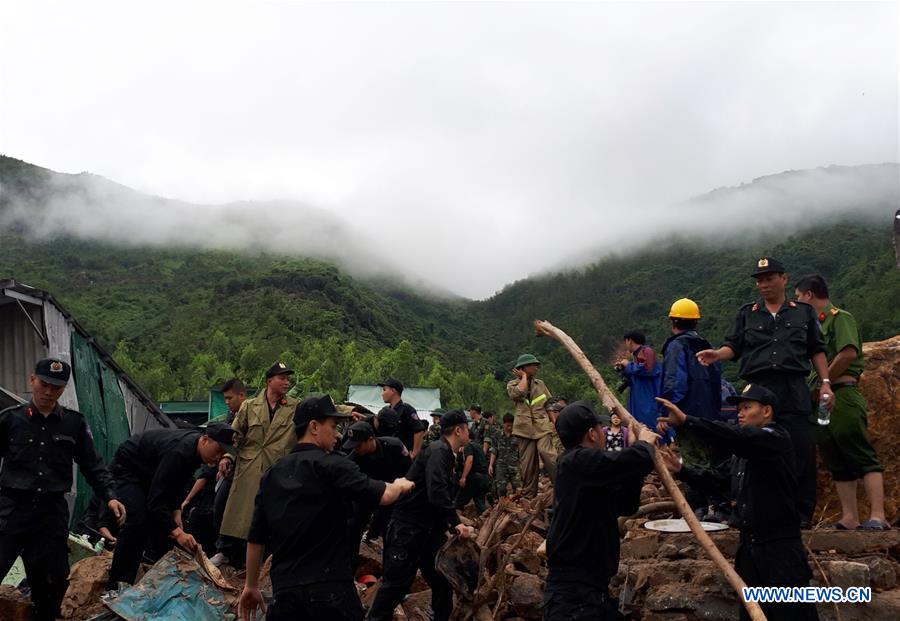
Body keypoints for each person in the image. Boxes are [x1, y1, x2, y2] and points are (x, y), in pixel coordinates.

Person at [238, 395, 414, 621]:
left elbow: (256, 537)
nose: (337, 433)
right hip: (331, 589)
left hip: (286, 591)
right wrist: (400, 484)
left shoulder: (272, 474)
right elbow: (384, 495)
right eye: (333, 426)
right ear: (313, 426)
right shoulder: (334, 465)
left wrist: (251, 585)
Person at [657, 385, 818, 621]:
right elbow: (718, 481)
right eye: (738, 408)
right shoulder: (743, 454)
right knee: (753, 614)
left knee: (791, 614)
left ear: (766, 411)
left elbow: (735, 436)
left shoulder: (776, 438)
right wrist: (682, 471)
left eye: (746, 407)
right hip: (749, 549)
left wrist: (687, 421)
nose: (739, 413)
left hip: (780, 550)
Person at [697, 257, 832, 526]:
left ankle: (801, 515)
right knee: (751, 446)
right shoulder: (747, 313)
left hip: (793, 386)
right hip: (758, 388)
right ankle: (749, 509)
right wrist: (717, 354)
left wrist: (826, 382)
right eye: (759, 279)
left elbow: (816, 349)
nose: (764, 284)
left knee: (801, 448)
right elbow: (733, 347)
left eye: (769, 278)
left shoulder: (802, 312)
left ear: (784, 278)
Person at [0, 359, 126, 621]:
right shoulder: (10, 420)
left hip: (50, 515)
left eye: (56, 388)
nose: (48, 392)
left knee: (50, 588)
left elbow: (93, 466)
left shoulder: (74, 424)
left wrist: (110, 496)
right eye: (44, 384)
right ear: (31, 380)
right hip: (11, 510)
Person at [544, 401, 658, 620]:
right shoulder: (574, 462)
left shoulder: (591, 472)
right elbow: (635, 459)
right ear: (592, 434)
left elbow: (626, 505)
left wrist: (636, 459)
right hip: (572, 595)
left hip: (593, 590)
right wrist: (644, 445)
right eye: (600, 428)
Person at [795, 274, 888, 530]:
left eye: (799, 297)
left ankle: (878, 515)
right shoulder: (814, 327)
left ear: (809, 295)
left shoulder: (839, 318)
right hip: (822, 399)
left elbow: (848, 353)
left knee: (858, 450)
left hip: (843, 392)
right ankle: (850, 517)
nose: (799, 302)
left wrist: (824, 380)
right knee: (834, 455)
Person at [366, 410, 476, 621]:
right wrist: (456, 523)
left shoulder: (447, 453)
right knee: (396, 585)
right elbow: (436, 492)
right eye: (466, 429)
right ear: (459, 430)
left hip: (428, 529)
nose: (468, 434)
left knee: (441, 579)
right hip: (409, 528)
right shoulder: (438, 451)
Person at [107, 422, 235, 587]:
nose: (218, 457)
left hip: (151, 474)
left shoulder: (196, 452)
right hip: (129, 468)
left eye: (223, 453)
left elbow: (178, 482)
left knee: (164, 525)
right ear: (205, 440)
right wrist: (178, 534)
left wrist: (176, 511)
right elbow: (155, 502)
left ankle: (160, 582)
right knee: (138, 521)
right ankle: (116, 586)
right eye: (218, 451)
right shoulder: (180, 451)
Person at [219, 362, 299, 565]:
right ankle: (230, 554)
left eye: (287, 378)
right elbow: (235, 435)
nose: (286, 382)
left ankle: (266, 559)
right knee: (240, 513)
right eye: (282, 378)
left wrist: (350, 412)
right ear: (269, 380)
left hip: (276, 467)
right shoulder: (249, 406)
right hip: (249, 465)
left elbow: (320, 409)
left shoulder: (294, 406)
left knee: (272, 514)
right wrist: (227, 456)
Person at [659, 298, 723, 516]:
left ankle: (698, 510)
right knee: (710, 461)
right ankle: (718, 508)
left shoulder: (677, 346)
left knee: (693, 462)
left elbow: (674, 381)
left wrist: (667, 413)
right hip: (711, 416)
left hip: (687, 414)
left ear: (673, 321)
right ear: (696, 322)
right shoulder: (708, 347)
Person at [344, 420, 412, 562]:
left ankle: (388, 571)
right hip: (367, 495)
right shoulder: (354, 457)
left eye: (358, 445)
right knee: (353, 528)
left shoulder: (394, 446)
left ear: (370, 440)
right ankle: (350, 568)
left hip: (392, 496)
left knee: (390, 533)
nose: (355, 449)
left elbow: (409, 473)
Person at [507, 354, 557, 496]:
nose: (536, 367)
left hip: (542, 426)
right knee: (527, 464)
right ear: (523, 368)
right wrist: (523, 377)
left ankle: (560, 484)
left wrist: (555, 423)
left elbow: (549, 404)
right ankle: (529, 495)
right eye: (532, 365)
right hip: (524, 429)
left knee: (548, 454)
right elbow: (518, 393)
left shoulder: (540, 384)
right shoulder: (512, 384)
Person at [210, 379, 248, 566]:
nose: (227, 402)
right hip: (232, 469)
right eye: (225, 398)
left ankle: (236, 554)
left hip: (248, 470)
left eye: (229, 398)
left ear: (242, 395)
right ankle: (223, 550)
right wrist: (225, 457)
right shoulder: (231, 414)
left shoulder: (252, 411)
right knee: (220, 505)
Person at [616, 331, 661, 431]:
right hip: (638, 397)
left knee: (649, 426)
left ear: (630, 341)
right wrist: (624, 369)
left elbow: (647, 370)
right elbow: (635, 374)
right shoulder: (636, 356)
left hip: (647, 398)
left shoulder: (647, 351)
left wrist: (628, 365)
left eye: (626, 342)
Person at [378, 378, 425, 458]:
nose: (382, 394)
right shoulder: (386, 411)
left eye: (384, 390)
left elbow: (419, 430)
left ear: (393, 391)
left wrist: (414, 453)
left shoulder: (406, 409)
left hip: (403, 457)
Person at [455, 433, 490, 514]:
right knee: (480, 505)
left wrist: (463, 477)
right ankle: (485, 522)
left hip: (474, 478)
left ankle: (456, 524)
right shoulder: (479, 447)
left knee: (458, 503)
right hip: (484, 478)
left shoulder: (468, 446)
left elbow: (469, 460)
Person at [488, 413, 521, 497]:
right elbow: (494, 450)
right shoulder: (497, 435)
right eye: (507, 426)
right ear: (503, 424)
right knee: (501, 489)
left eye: (511, 426)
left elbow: (521, 452)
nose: (510, 428)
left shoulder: (518, 436)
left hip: (515, 465)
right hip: (501, 466)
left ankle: (517, 506)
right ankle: (502, 506)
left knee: (518, 488)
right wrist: (491, 465)